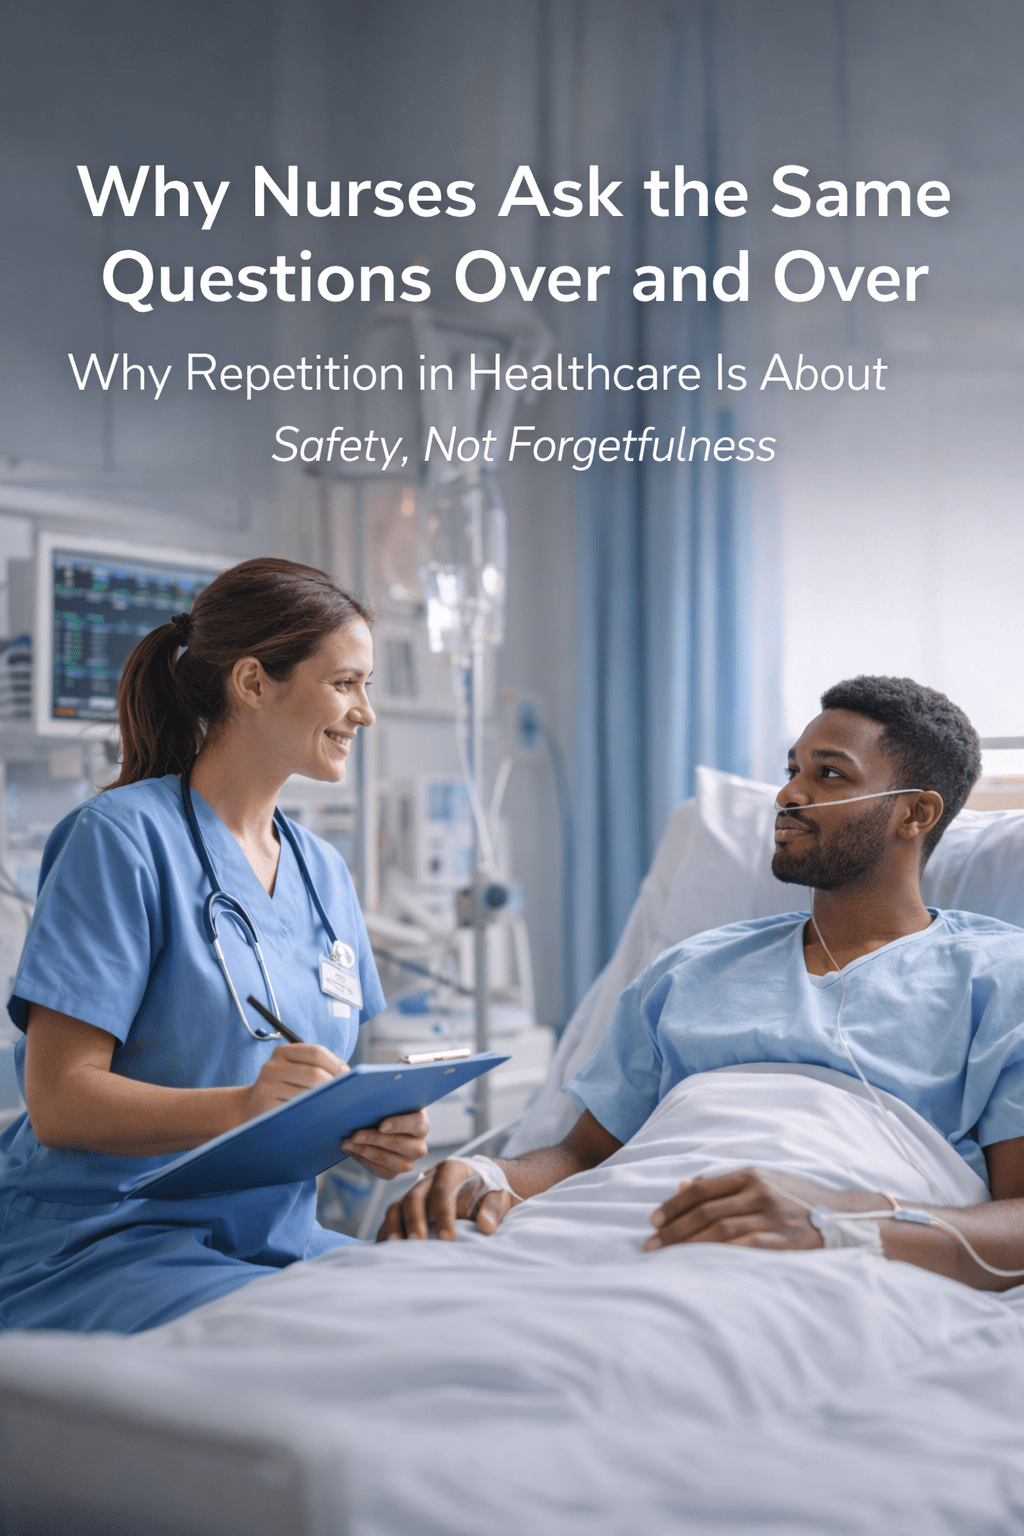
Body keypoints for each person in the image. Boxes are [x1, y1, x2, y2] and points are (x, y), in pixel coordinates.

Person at [381, 676, 1024, 1291]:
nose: (789, 795)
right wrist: (483, 1171)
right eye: (791, 770)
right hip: (619, 1225)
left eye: (828, 774)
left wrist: (845, 1221)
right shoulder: (694, 968)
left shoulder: (996, 978)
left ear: (915, 813)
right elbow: (579, 1158)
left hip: (820, 1262)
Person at [0, 558, 429, 1334]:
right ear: (254, 683)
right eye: (344, 683)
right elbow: (59, 1101)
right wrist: (245, 1106)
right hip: (107, 1239)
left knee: (441, 1312)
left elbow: (310, 1092)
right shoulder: (121, 840)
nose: (364, 713)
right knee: (343, 1347)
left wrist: (369, 1129)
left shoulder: (323, 872)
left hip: (272, 1242)